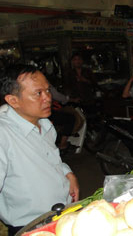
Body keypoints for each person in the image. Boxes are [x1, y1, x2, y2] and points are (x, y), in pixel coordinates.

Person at [0, 65, 79, 236]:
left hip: (62, 215)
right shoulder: (3, 133)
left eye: (48, 90)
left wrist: (67, 173)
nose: (48, 98)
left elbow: (51, 158)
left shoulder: (44, 123)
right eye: (38, 93)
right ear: (13, 100)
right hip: (31, 227)